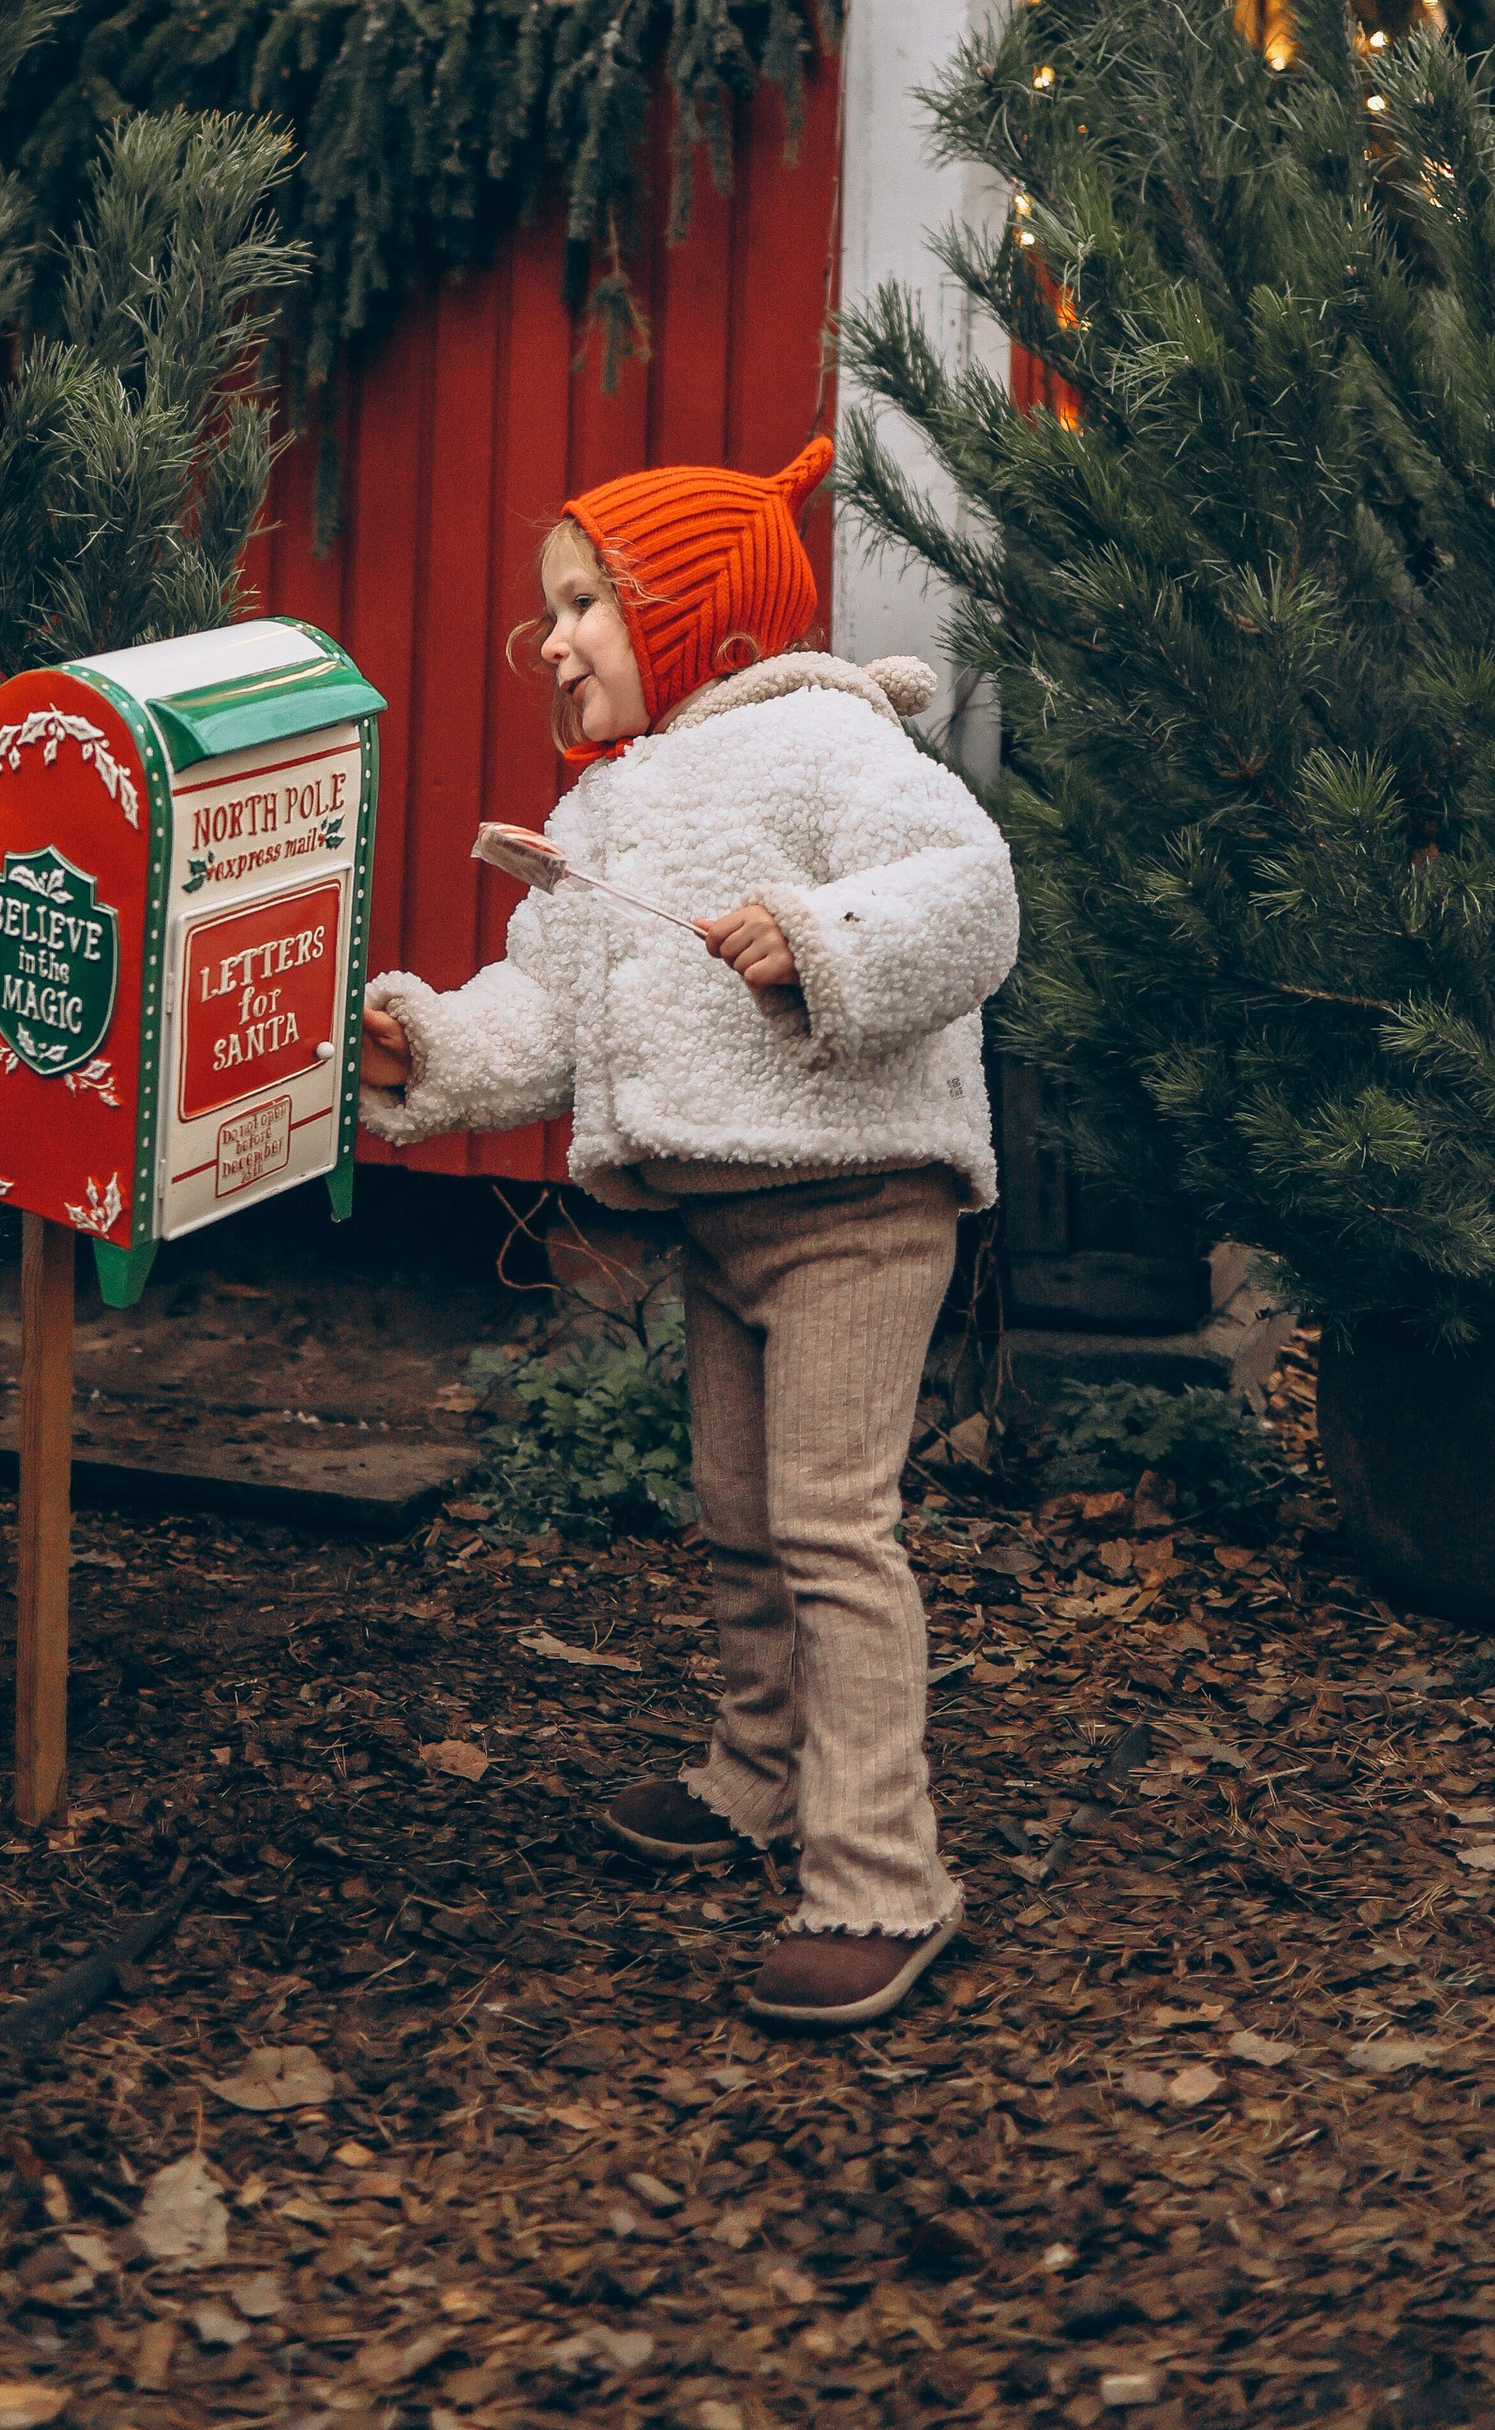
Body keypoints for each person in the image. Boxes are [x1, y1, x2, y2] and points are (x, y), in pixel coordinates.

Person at [358, 439, 1017, 2031]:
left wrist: (818, 938)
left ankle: (882, 1875)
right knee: (739, 1514)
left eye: (585, 604)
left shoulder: (823, 741)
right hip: (722, 1224)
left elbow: (971, 892)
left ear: (698, 618)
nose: (553, 641)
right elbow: (551, 1003)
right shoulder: (614, 800)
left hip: (858, 1205)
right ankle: (762, 1771)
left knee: (831, 1531)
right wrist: (432, 1051)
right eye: (551, 611)